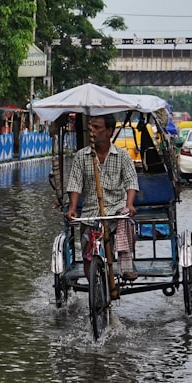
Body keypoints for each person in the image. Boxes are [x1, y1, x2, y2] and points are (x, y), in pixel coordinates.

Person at [64, 114, 139, 281]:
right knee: (87, 255)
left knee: (126, 223)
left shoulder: (122, 155)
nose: (93, 131)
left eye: (97, 128)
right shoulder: (82, 156)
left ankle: (126, 264)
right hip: (91, 213)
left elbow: (131, 181)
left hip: (115, 211)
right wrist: (72, 208)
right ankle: (94, 289)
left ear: (109, 132)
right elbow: (75, 184)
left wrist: (129, 204)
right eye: (91, 127)